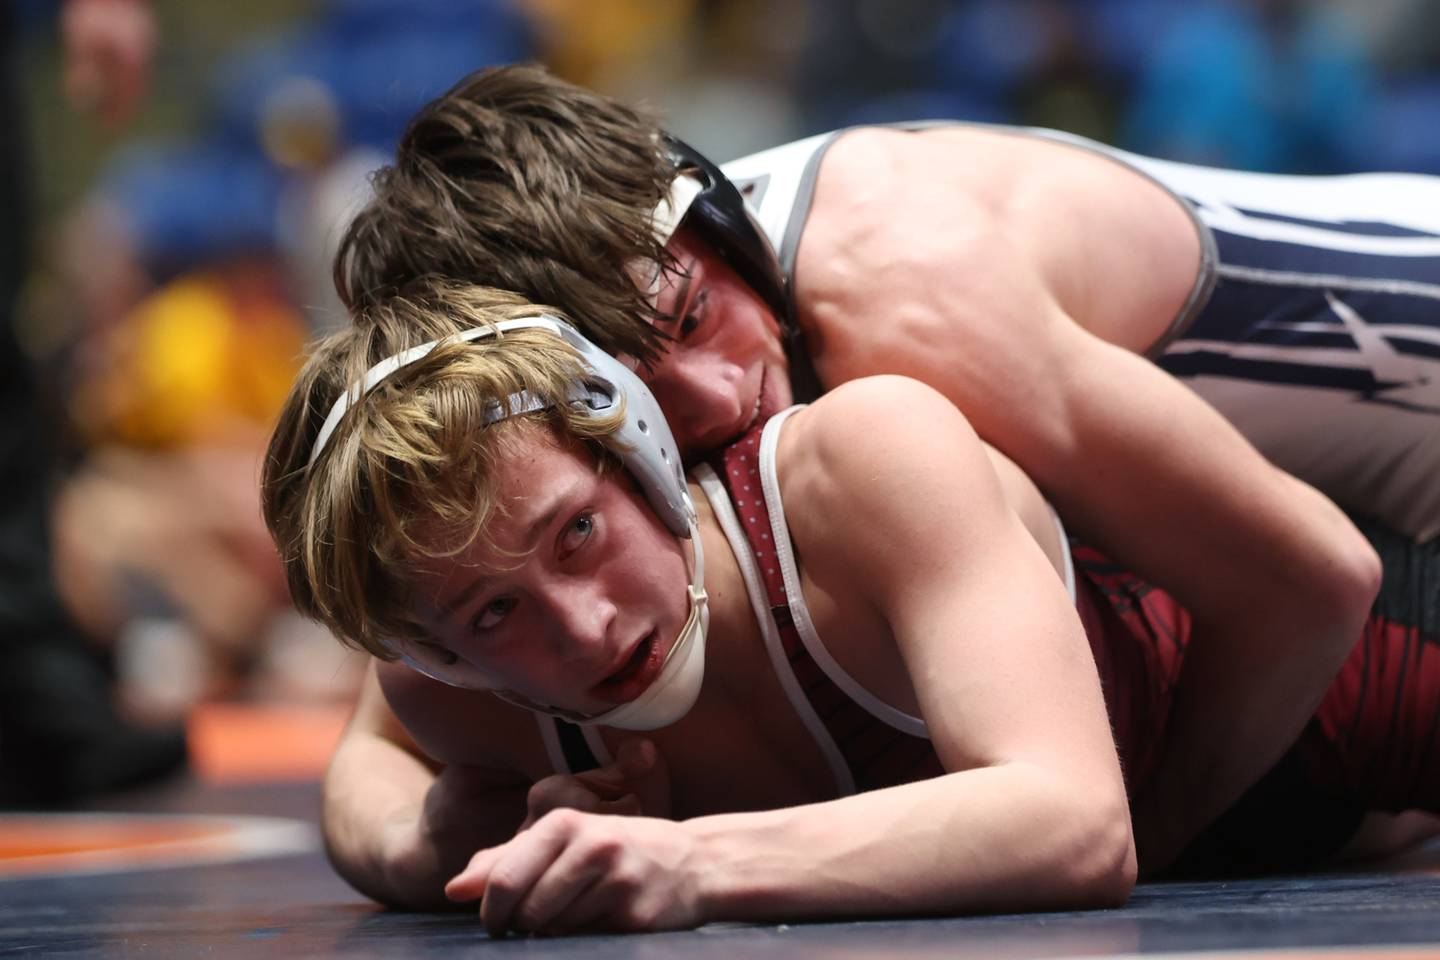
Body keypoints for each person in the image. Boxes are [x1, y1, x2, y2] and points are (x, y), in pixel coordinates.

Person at [330, 64, 1394, 871]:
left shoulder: (893, 307)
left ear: (713, 215)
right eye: (642, 390)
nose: (713, 402)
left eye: (695, 317)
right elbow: (378, 737)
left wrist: (1141, 848)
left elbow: (1311, 580)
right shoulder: (653, 297)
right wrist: (427, 847)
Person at [262, 281, 1434, 934]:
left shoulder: (859, 465)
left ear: (641, 456)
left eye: (579, 533)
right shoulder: (448, 677)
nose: (587, 628)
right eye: (493, 616)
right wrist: (440, 848)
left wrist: (686, 861)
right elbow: (360, 772)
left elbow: (1074, 823)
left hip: (1345, 685)